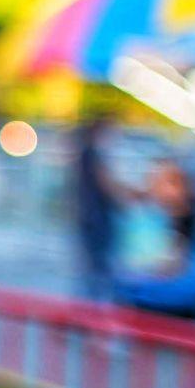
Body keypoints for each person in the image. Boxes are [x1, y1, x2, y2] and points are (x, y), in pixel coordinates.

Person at [74, 117, 123, 299]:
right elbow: (106, 185)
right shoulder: (92, 155)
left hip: (92, 218)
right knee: (97, 271)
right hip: (96, 220)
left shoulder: (88, 154)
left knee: (93, 270)